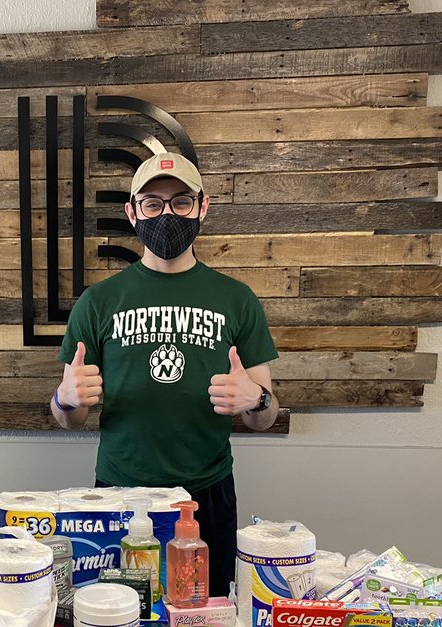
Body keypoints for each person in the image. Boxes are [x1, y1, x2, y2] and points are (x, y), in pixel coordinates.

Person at [51, 152, 280, 598]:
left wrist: (256, 399)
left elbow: (266, 415)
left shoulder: (236, 299)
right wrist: (65, 399)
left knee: (201, 623)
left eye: (181, 202)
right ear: (132, 212)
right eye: (153, 203)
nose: (167, 214)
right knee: (120, 619)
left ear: (203, 207)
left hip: (205, 495)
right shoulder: (98, 302)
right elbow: (68, 417)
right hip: (119, 495)